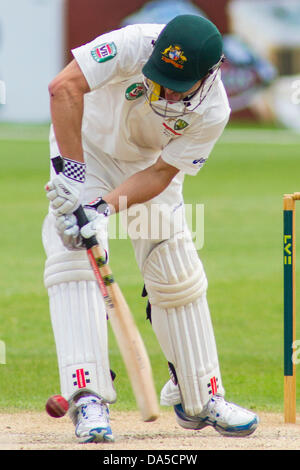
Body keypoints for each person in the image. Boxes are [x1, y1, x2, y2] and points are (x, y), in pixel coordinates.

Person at [43, 14, 259, 443]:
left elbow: (161, 174)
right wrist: (71, 178)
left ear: (208, 75)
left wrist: (102, 207)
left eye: (175, 84)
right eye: (158, 75)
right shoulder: (133, 44)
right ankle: (88, 398)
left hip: (146, 168)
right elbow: (63, 87)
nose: (161, 89)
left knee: (174, 266)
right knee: (73, 257)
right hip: (85, 150)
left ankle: (199, 396)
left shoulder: (213, 111)